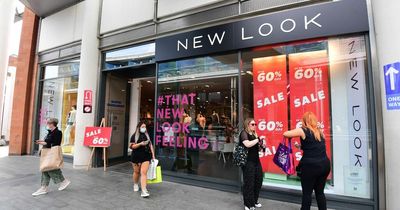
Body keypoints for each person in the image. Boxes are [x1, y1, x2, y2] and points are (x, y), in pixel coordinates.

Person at [283, 112, 331, 210]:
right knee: (320, 193)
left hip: (311, 167)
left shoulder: (303, 130)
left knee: (307, 194)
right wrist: (301, 147)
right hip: (324, 165)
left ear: (304, 121)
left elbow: (286, 134)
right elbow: (314, 146)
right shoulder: (319, 131)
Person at [32, 118, 71, 196]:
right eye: (48, 123)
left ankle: (63, 181)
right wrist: (40, 141)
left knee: (50, 168)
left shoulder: (58, 132)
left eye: (49, 123)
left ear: (53, 124)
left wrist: (44, 142)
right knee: (45, 168)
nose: (48, 125)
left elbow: (54, 143)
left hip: (52, 153)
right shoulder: (50, 132)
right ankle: (44, 188)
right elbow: (48, 142)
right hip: (48, 153)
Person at [240, 118, 265, 210]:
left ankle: (254, 201)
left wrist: (262, 146)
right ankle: (248, 204)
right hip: (247, 162)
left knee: (258, 181)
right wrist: (258, 139)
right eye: (252, 124)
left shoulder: (255, 134)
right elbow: (247, 144)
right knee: (249, 183)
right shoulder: (244, 133)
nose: (254, 126)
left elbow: (256, 148)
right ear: (247, 125)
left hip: (256, 161)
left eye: (255, 124)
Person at [130, 122, 155, 198]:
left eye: (145, 127)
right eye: (142, 127)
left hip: (146, 156)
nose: (144, 128)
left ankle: (144, 190)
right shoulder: (134, 136)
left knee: (143, 173)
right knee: (136, 172)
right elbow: (131, 146)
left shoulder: (147, 135)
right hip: (136, 156)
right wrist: (140, 144)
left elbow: (150, 145)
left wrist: (153, 155)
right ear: (139, 127)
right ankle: (135, 184)